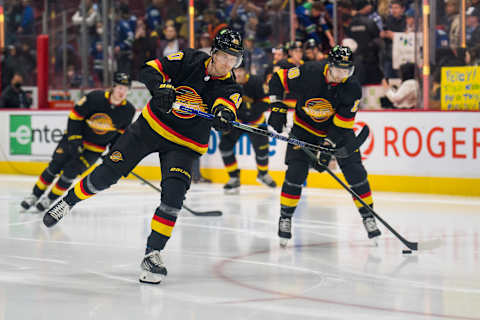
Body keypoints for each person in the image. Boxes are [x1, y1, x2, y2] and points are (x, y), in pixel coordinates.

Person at [43, 28, 244, 285]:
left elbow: (226, 105)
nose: (228, 63)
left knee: (173, 198)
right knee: (105, 176)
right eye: (225, 56)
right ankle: (68, 201)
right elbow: (148, 69)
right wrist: (160, 88)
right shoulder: (189, 59)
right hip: (149, 129)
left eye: (234, 59)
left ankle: (153, 254)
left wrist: (224, 116)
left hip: (185, 145)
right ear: (214, 52)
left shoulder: (230, 86)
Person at [267, 45, 381, 247]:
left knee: (356, 172)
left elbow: (342, 124)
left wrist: (327, 147)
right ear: (329, 66)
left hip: (336, 132)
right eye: (339, 70)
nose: (342, 75)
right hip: (304, 129)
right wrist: (277, 106)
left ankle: (368, 216)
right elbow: (277, 79)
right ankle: (286, 217)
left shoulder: (352, 87)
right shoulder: (308, 72)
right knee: (295, 173)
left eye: (347, 71)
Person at [20, 73, 135, 211]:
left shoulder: (129, 110)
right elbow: (75, 117)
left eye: (125, 89)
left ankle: (49, 199)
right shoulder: (95, 98)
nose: (122, 92)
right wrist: (75, 139)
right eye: (120, 88)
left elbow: (119, 135)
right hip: (74, 139)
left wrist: (112, 153)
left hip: (94, 150)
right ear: (113, 87)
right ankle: (34, 195)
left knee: (70, 173)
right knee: (55, 165)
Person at [220, 63, 276, 194]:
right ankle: (234, 178)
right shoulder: (229, 82)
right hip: (237, 122)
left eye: (241, 71)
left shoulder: (256, 82)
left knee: (262, 151)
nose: (238, 74)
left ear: (246, 71)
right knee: (224, 147)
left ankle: (263, 174)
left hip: (256, 122)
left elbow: (266, 102)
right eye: (235, 70)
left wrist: (250, 112)